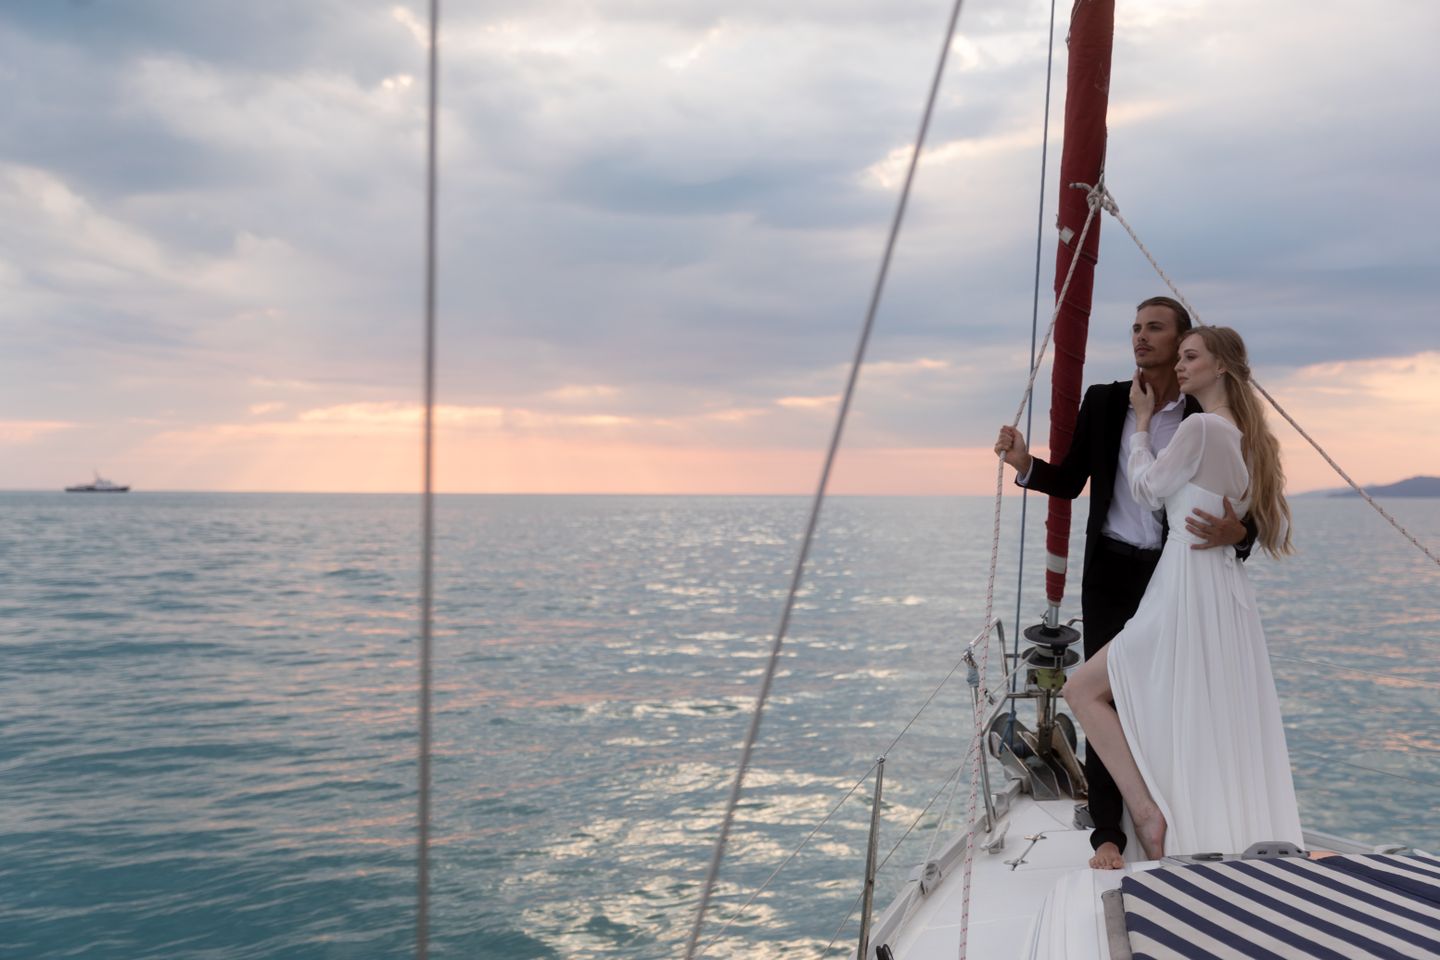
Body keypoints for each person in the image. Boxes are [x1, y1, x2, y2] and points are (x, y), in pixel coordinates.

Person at [993, 296, 1254, 870]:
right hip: (1111, 572)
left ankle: (1181, 813)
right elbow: (1071, 481)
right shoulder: (1106, 401)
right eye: (1135, 327)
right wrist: (1024, 464)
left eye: (1155, 328)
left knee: (1173, 696)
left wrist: (1238, 533)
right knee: (1103, 694)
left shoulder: (1204, 414)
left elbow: (1243, 509)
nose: (1140, 336)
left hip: (1174, 573)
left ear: (1182, 341)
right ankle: (1108, 833)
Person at [1061, 325, 1302, 860]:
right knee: (1205, 710)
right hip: (1224, 590)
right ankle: (1202, 822)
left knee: (1081, 690)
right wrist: (1236, 532)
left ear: (1221, 367)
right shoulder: (1252, 438)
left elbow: (1146, 490)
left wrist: (1143, 424)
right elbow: (1273, 525)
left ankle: (1147, 813)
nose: (1181, 365)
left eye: (1191, 357)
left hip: (1183, 585)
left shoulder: (1201, 428)